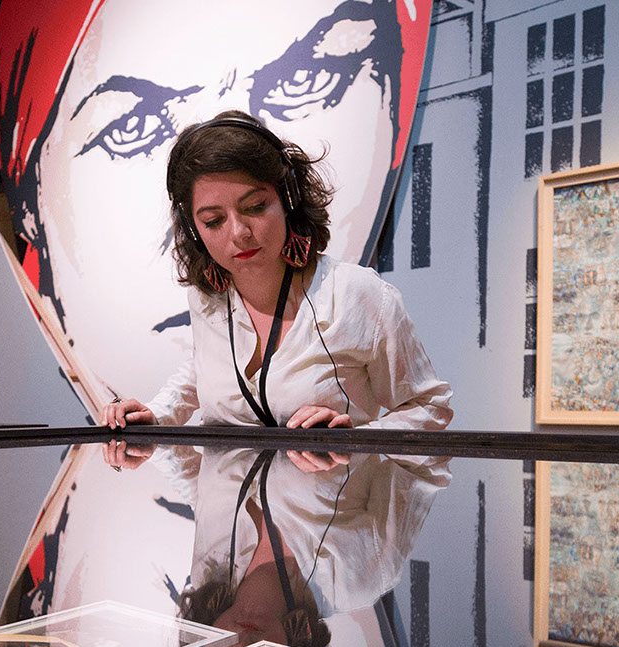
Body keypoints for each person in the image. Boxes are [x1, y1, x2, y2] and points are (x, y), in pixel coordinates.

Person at [100, 112, 452, 433]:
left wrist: (352, 440)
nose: (238, 232)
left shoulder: (358, 294)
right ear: (193, 230)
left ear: (288, 198)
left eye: (255, 207)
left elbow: (430, 407)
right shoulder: (207, 299)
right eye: (214, 221)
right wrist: (158, 413)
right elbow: (204, 368)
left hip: (337, 485)